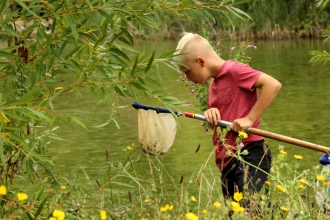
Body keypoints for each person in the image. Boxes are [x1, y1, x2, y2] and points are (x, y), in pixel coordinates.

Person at [175, 33, 282, 199]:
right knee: (235, 214)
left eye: (188, 72)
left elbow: (273, 85)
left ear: (201, 61)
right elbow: (222, 121)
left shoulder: (234, 70)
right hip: (227, 161)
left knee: (252, 208)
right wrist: (211, 114)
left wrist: (250, 119)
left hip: (249, 152)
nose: (188, 78)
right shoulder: (214, 84)